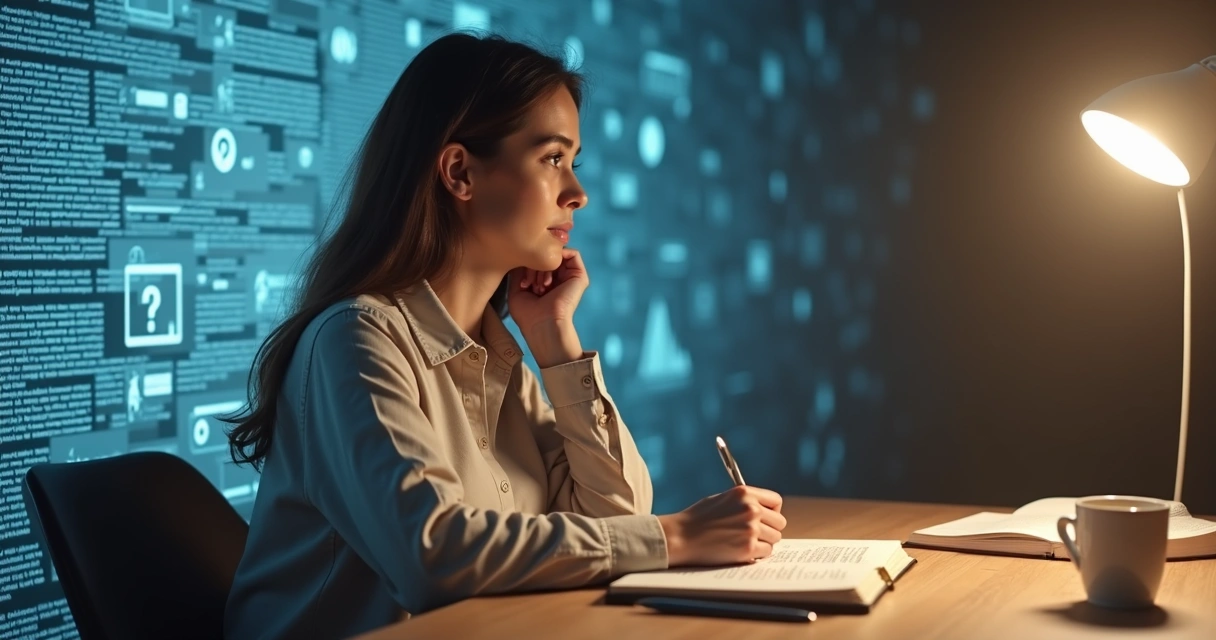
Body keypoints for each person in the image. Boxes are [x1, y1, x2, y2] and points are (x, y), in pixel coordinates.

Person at [221, 32, 787, 639]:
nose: (578, 192)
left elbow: (618, 516)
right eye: (552, 159)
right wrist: (677, 537)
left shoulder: (500, 355)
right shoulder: (356, 340)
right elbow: (431, 556)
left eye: (575, 162)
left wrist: (555, 343)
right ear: (460, 172)